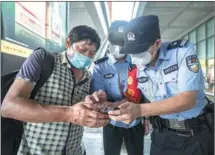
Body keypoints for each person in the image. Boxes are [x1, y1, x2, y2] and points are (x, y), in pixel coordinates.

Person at [107, 15, 214, 155]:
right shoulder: (136, 68)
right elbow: (136, 98)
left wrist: (139, 111)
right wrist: (111, 106)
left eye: (140, 51)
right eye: (132, 52)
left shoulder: (182, 53)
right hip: (162, 136)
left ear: (157, 44)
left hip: (196, 135)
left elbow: (187, 100)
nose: (135, 57)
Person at [1, 25, 109, 155]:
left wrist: (97, 105)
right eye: (83, 49)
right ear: (68, 42)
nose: (87, 56)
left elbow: (84, 109)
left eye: (92, 53)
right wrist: (70, 114)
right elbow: (8, 107)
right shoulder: (43, 60)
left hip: (76, 151)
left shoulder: (88, 77)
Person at [90, 20, 147, 155]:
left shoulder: (138, 62)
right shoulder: (100, 67)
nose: (118, 47)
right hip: (111, 122)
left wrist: (145, 117)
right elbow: (99, 101)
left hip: (135, 121)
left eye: (122, 43)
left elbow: (144, 91)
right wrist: (119, 104)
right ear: (109, 42)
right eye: (115, 43)